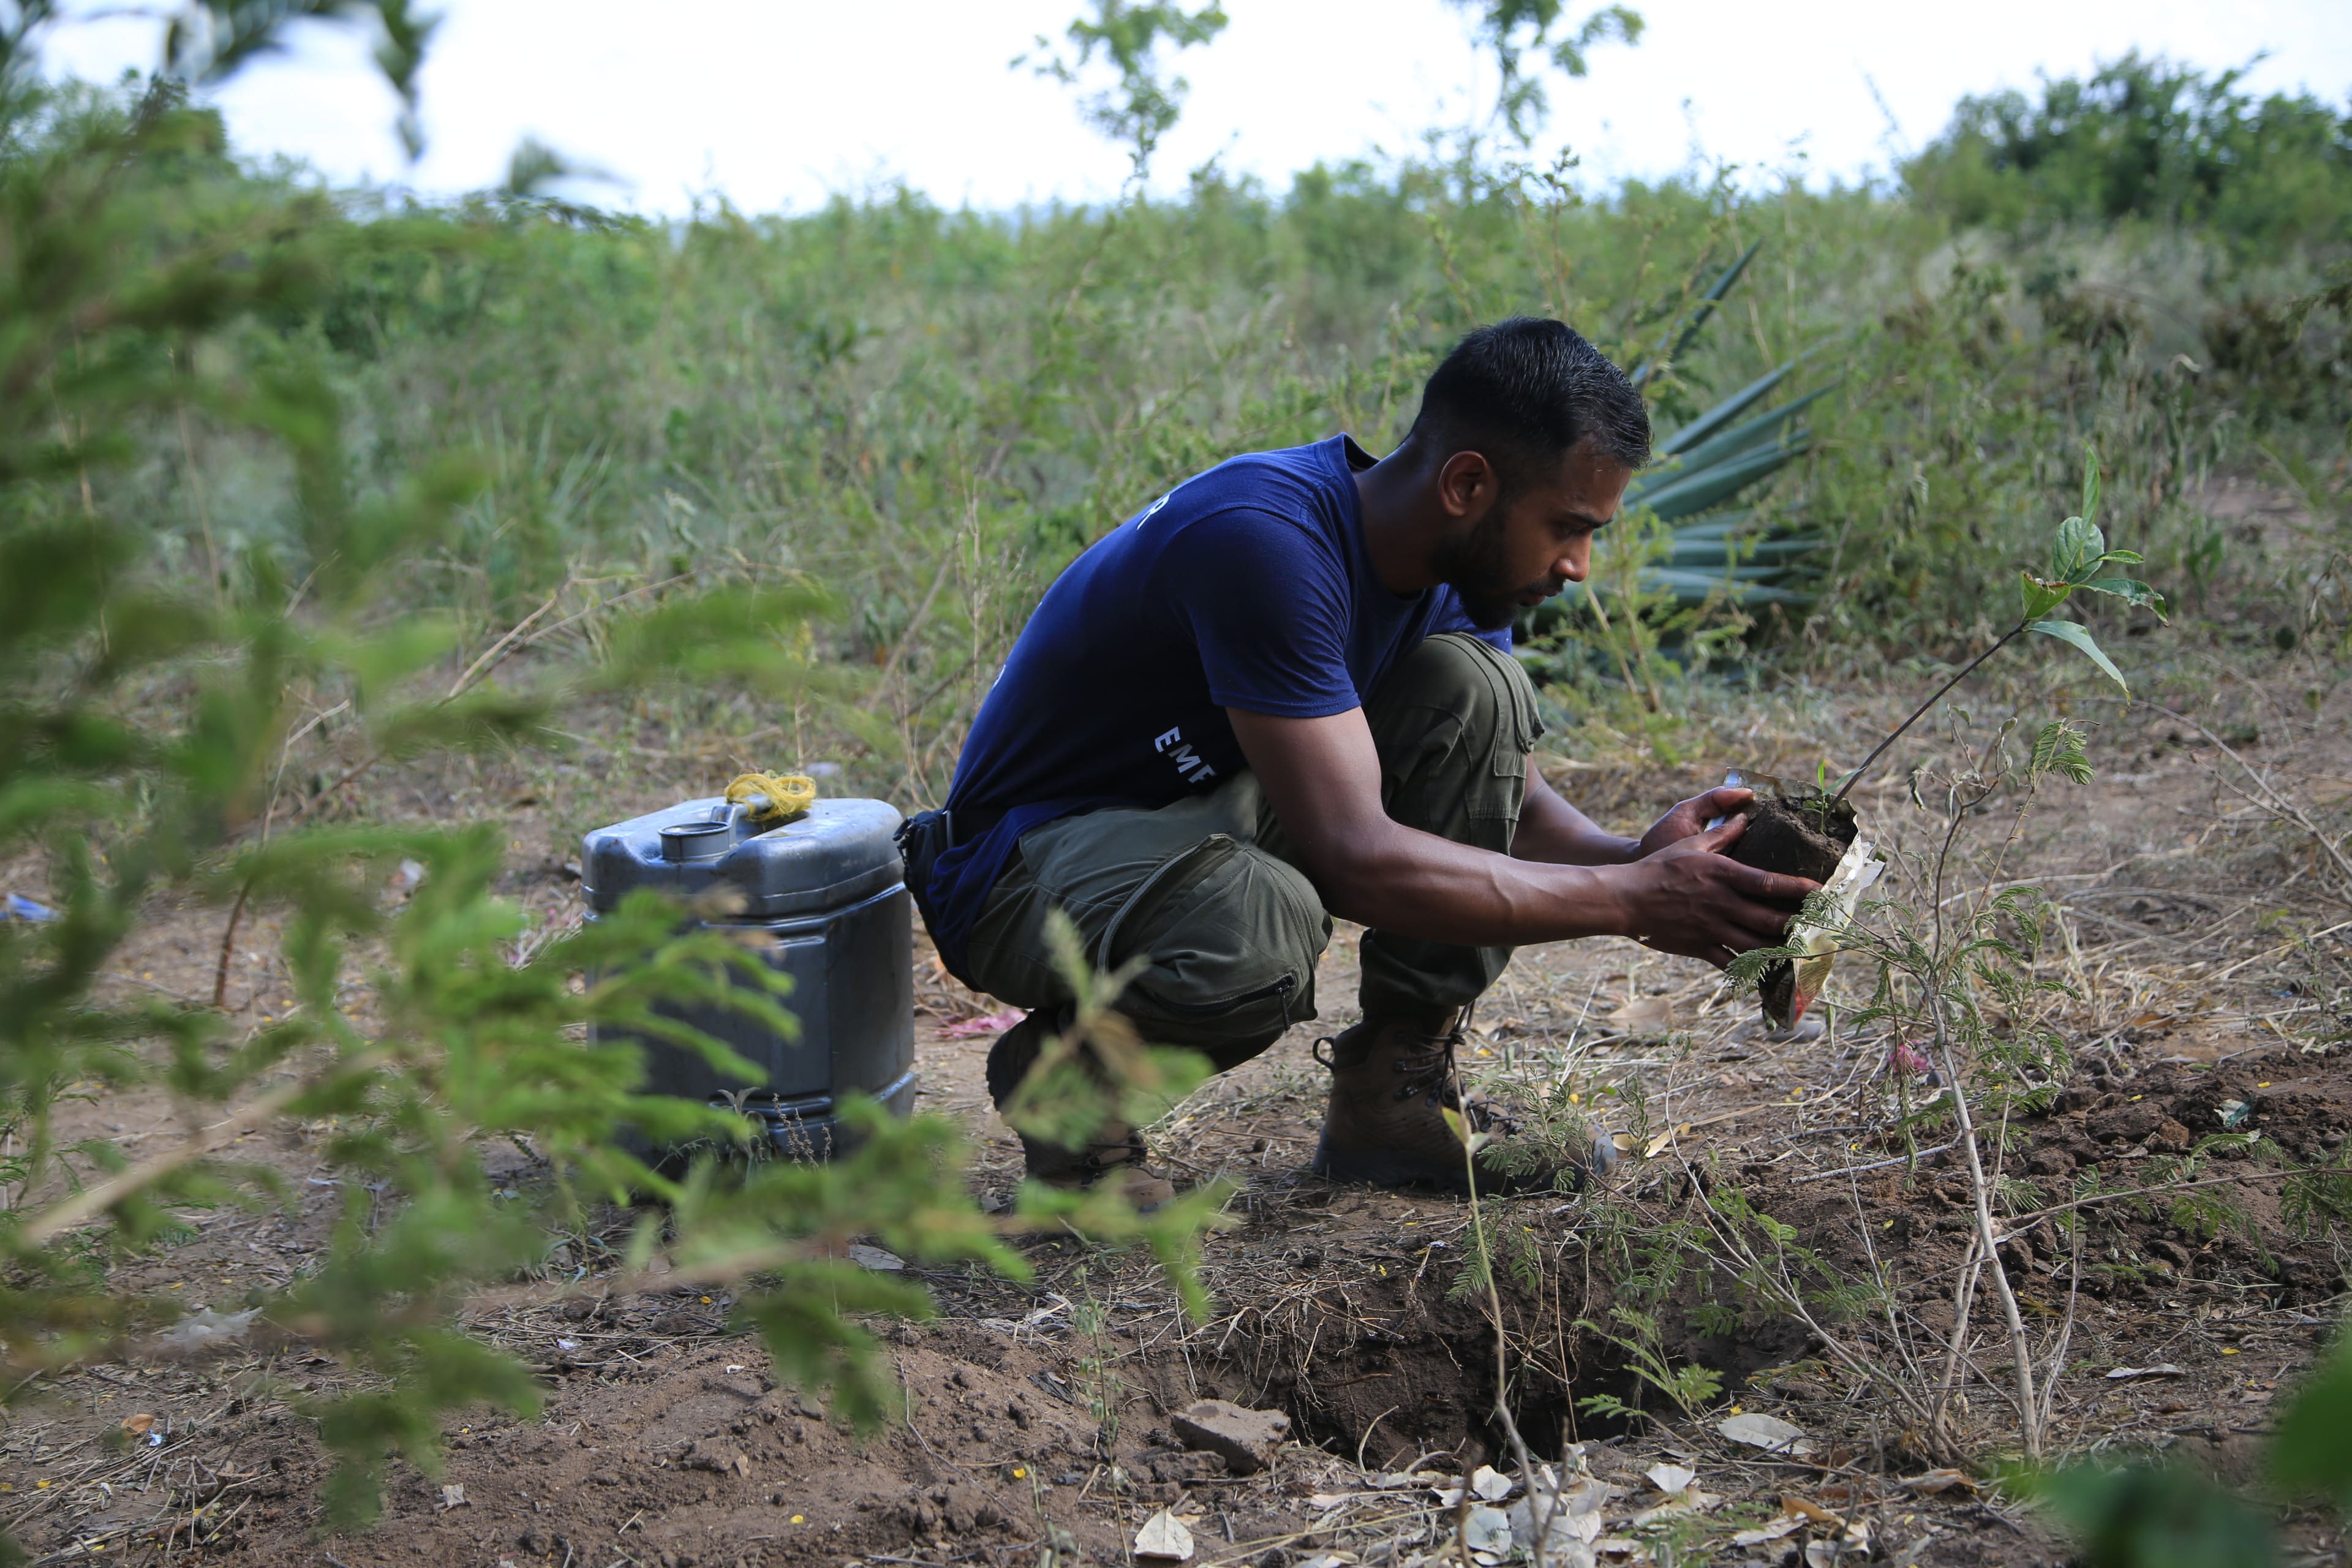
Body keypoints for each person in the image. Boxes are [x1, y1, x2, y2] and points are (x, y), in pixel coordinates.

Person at [898, 318, 1818, 1203]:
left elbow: (1508, 798)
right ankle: (1074, 1102)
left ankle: (1394, 1099)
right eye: (1568, 527)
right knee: (1258, 928)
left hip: (1210, 819)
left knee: (1478, 690)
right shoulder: (1265, 541)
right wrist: (1632, 904)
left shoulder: (1457, 565)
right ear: (1468, 484)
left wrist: (1634, 859)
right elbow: (1354, 855)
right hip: (1021, 868)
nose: (1578, 565)